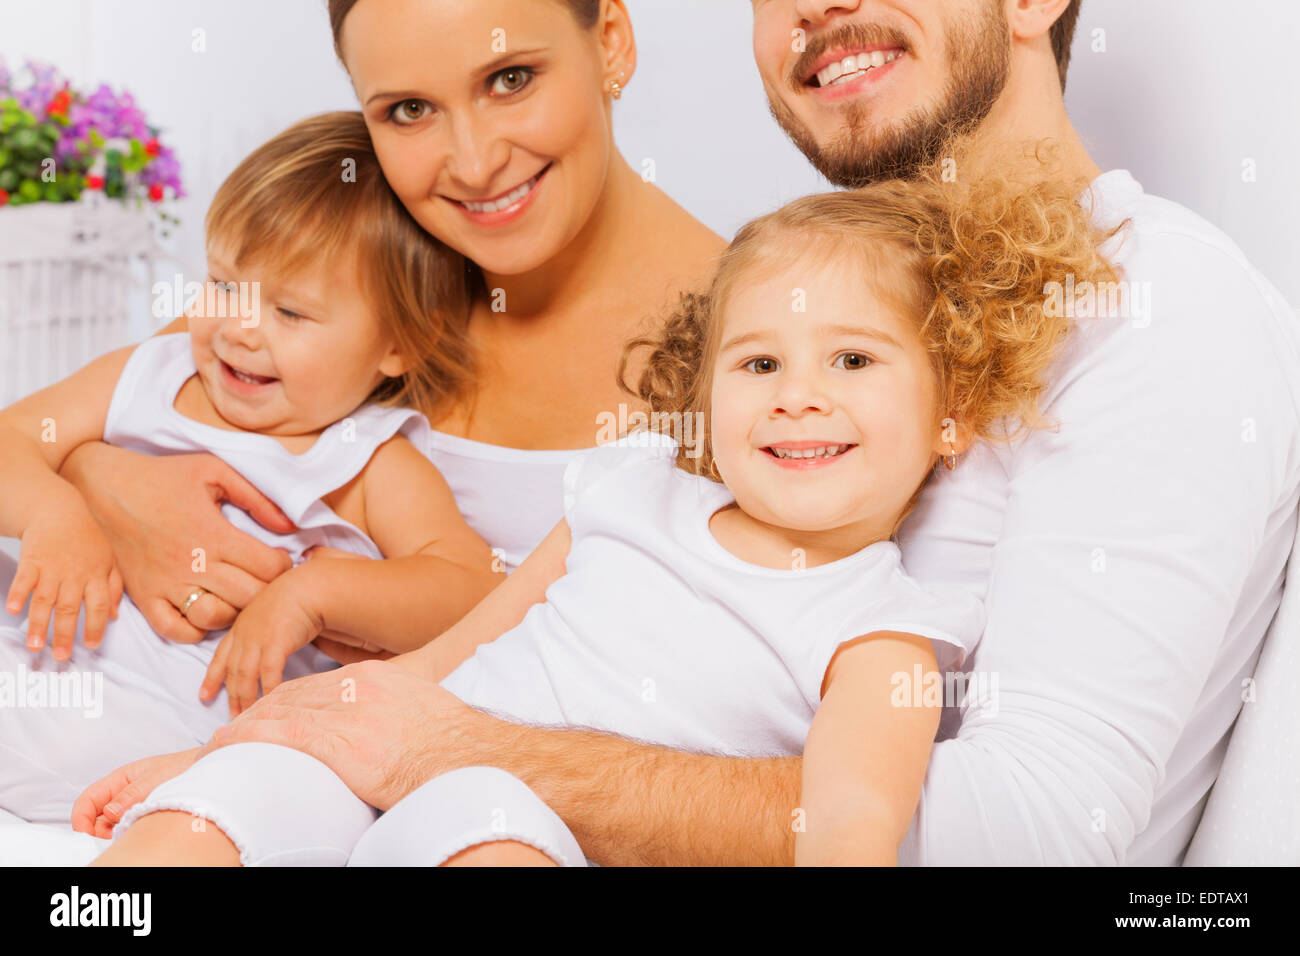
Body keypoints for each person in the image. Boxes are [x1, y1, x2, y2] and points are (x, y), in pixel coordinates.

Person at [17, 0, 1300, 865]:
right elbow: (565, 589)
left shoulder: (1147, 298)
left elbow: (1045, 823)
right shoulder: (814, 321)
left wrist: (477, 749)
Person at [96, 156, 1120, 867]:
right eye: (758, 361)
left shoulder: (883, 632)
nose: (797, 392)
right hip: (392, 750)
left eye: (851, 359)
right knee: (192, 826)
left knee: (493, 845)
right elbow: (442, 658)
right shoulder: (636, 487)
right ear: (704, 396)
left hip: (521, 819)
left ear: (948, 418)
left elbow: (848, 817)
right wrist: (205, 761)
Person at [0, 111, 498, 825]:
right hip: (40, 634)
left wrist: (316, 591)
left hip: (158, 717)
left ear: (396, 346)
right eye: (225, 283)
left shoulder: (367, 460)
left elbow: (471, 592)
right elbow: (12, 435)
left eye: (291, 312)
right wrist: (54, 511)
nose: (240, 326)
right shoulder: (153, 374)